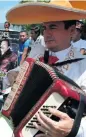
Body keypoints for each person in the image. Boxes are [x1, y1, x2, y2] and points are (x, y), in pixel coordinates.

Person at [5, 0, 86, 136]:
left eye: (53, 27)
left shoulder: (83, 66)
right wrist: (13, 76)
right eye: (45, 28)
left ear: (72, 30)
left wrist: (76, 128)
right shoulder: (37, 53)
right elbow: (16, 76)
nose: (46, 33)